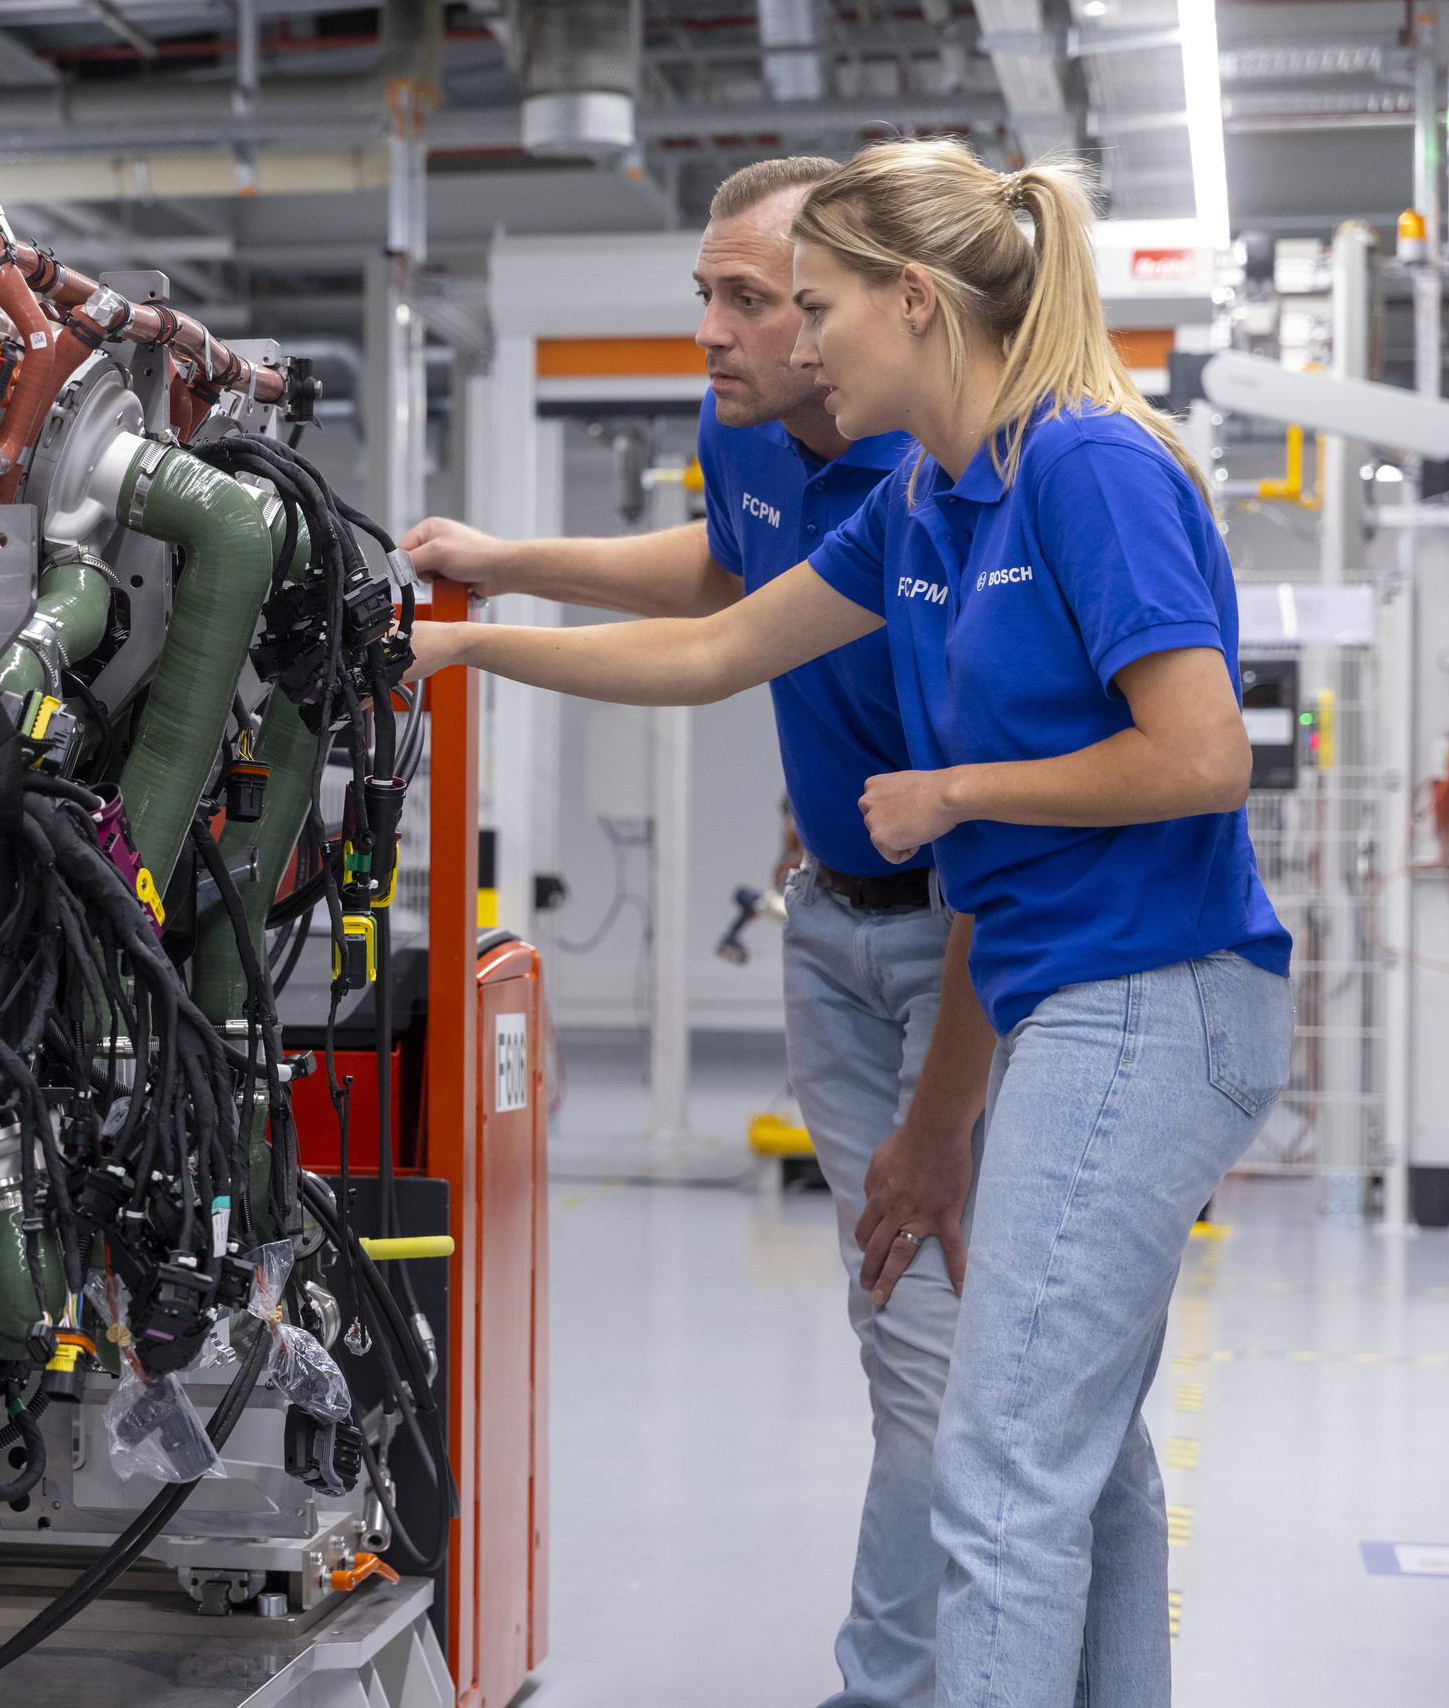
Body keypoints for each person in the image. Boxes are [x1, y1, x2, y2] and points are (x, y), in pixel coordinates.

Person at [408, 139, 1292, 1708]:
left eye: (812, 308)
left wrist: (958, 795)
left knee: (1004, 1465)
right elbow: (720, 645)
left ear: (916, 301)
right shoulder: (929, 506)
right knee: (1077, 1459)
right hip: (1068, 995)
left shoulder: (1084, 464)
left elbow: (1206, 752)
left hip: (1155, 995)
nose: (797, 348)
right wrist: (469, 644)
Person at [402, 155, 995, 1708]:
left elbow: (731, 651)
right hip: (831, 939)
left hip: (968, 954)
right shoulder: (745, 427)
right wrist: (504, 566)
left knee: (951, 1371)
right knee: (922, 1355)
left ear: (843, 312)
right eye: (708, 296)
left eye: (756, 300)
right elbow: (730, 579)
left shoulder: (921, 482)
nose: (716, 331)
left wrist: (481, 641)